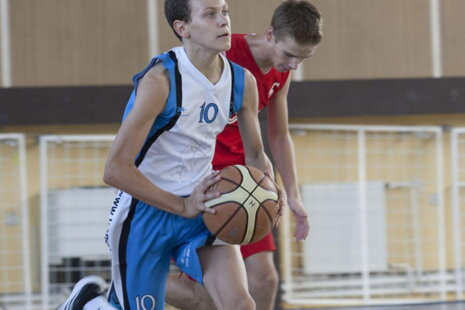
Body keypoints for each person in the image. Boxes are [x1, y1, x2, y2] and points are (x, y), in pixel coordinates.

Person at [58, 0, 279, 309]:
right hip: (144, 213)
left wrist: (267, 193)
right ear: (182, 28)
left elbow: (255, 152)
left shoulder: (242, 81)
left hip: (205, 203)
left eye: (225, 12)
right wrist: (181, 204)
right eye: (211, 14)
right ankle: (91, 304)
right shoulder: (161, 80)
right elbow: (115, 170)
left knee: (241, 304)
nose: (223, 22)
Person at [165, 1, 323, 309]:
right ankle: (124, 279)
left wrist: (293, 194)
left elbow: (278, 135)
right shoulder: (222, 51)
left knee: (265, 281)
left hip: (245, 178)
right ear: (270, 35)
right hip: (204, 180)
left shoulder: (280, 72)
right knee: (212, 298)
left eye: (303, 59)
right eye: (289, 54)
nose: (293, 65)